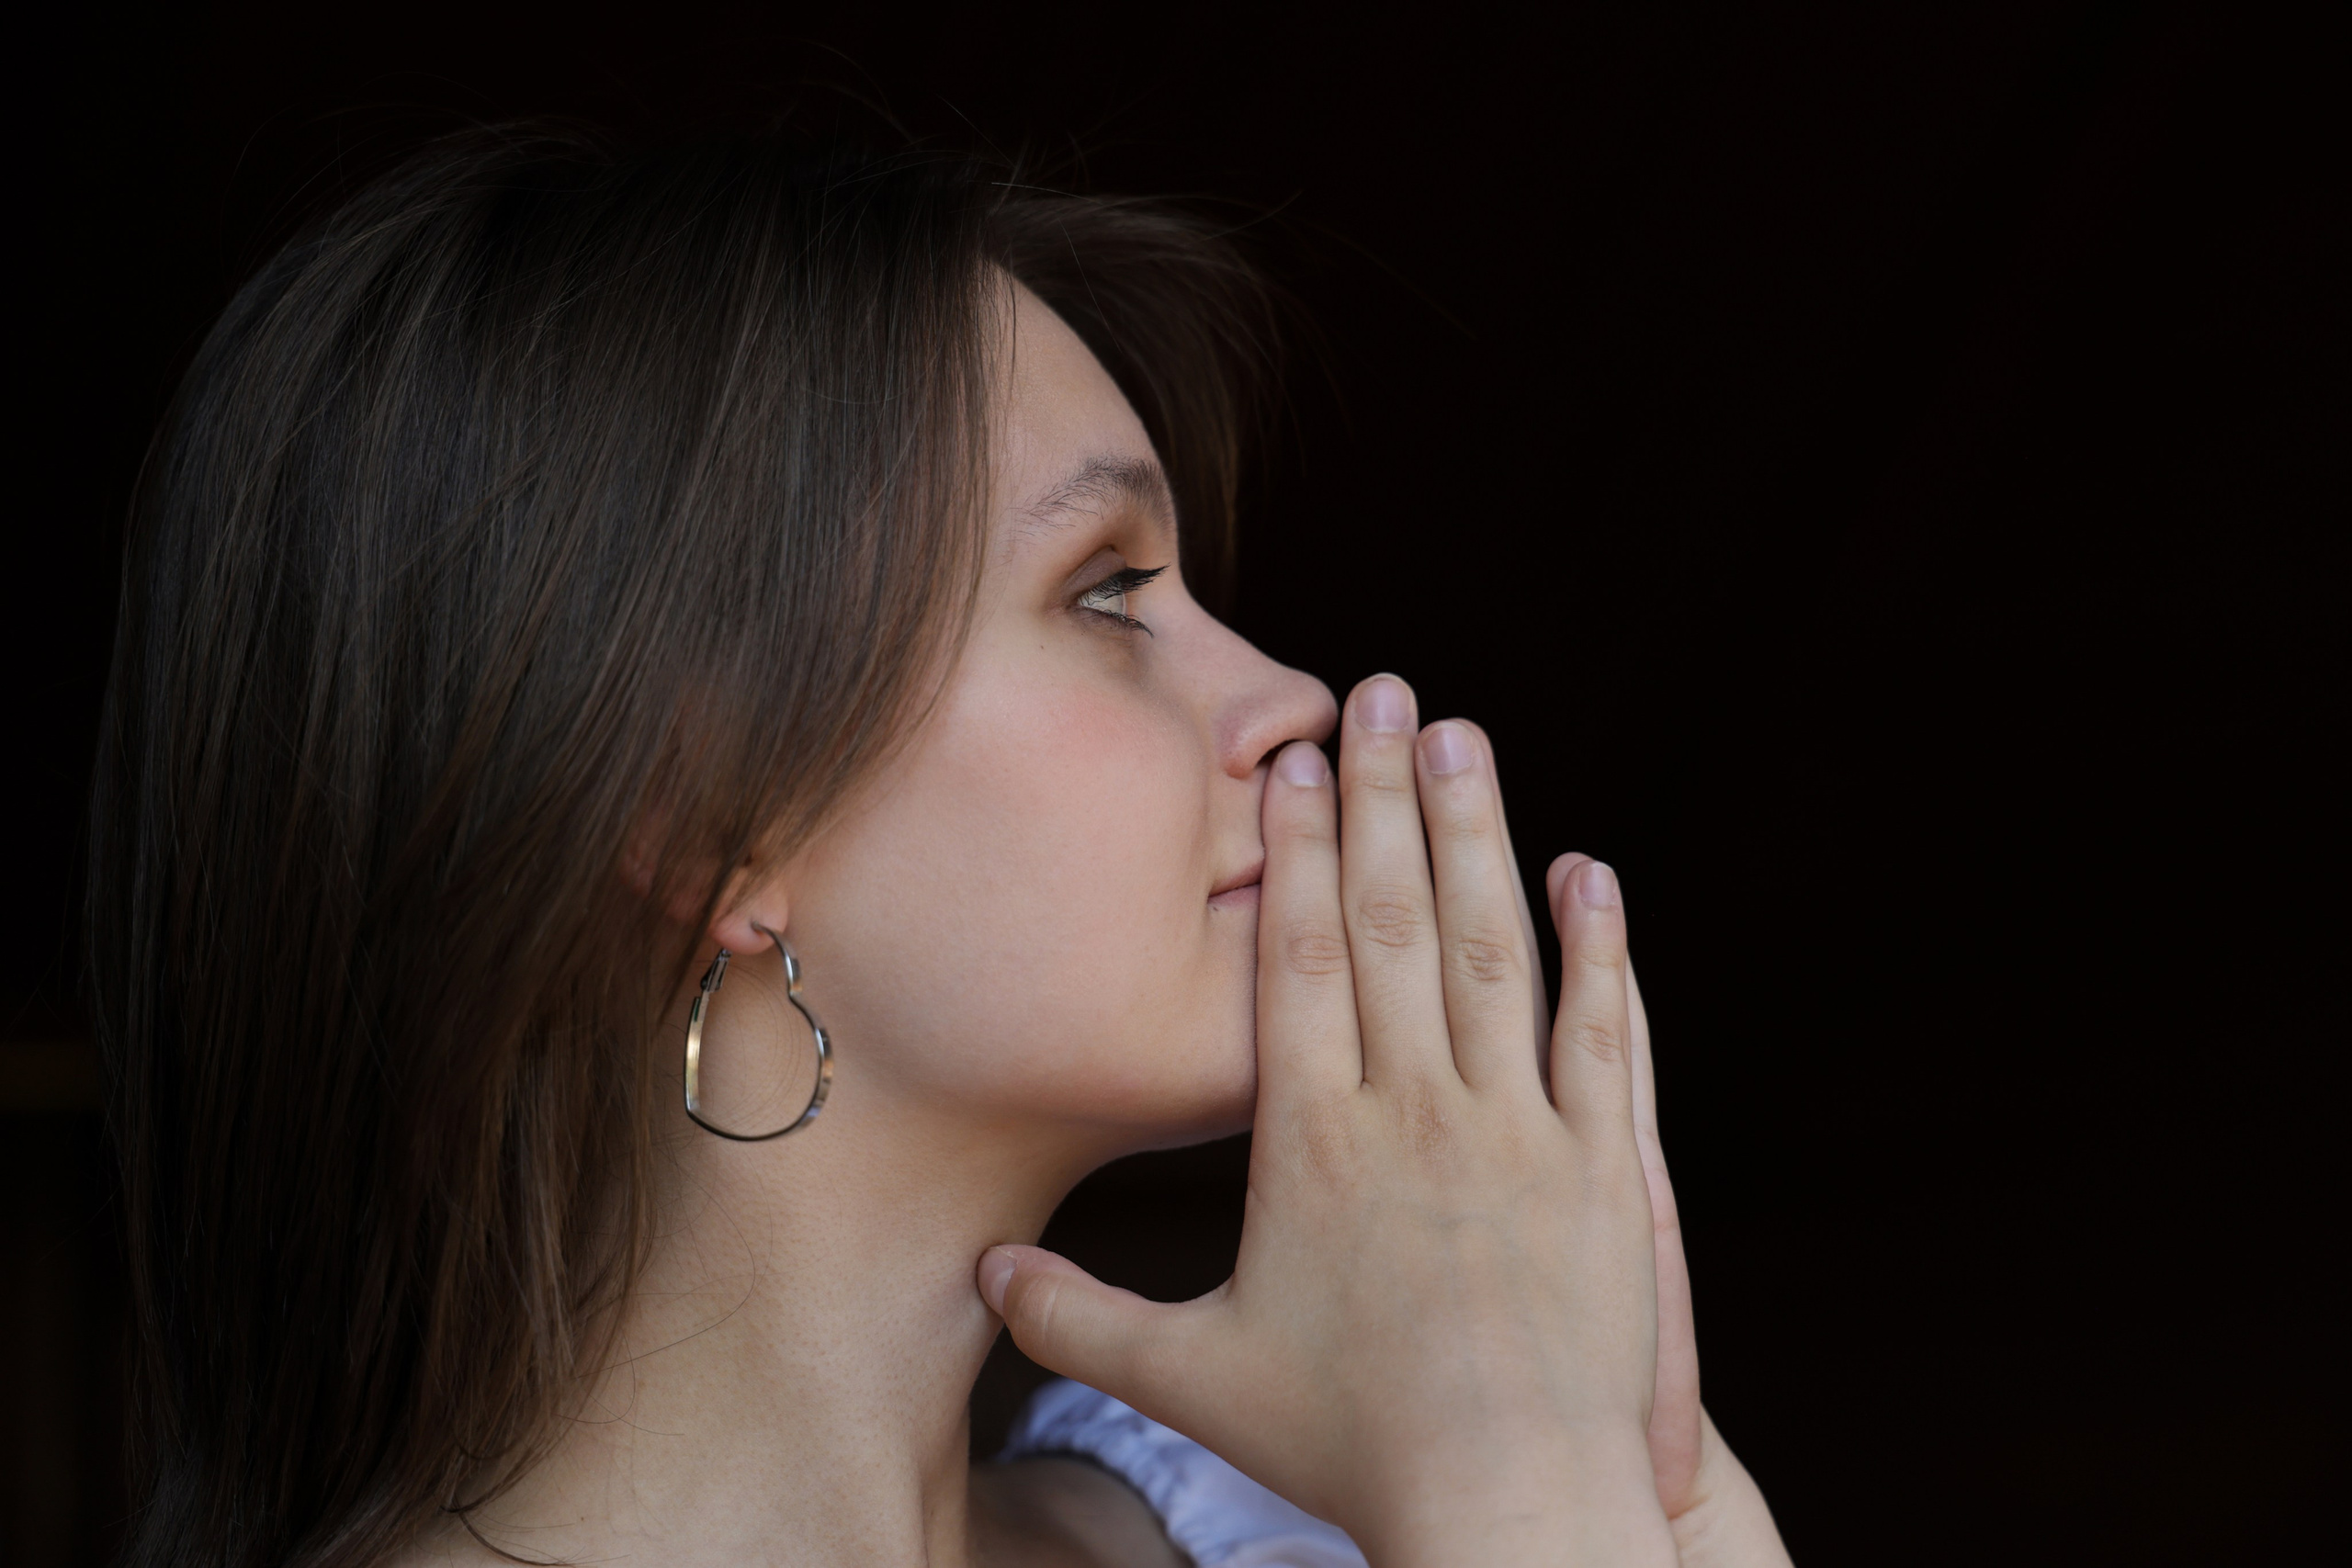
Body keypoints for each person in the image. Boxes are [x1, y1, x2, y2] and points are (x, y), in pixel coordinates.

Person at [89, 126, 1792, 1567]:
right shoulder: (1462, 1490)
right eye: (1106, 592)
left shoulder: (1299, 1519)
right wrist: (1515, 1489)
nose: (1294, 700)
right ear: (705, 814)